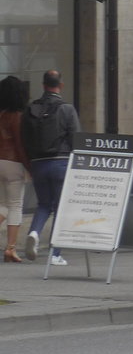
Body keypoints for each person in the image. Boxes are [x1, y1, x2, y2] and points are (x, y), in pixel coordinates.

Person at [22, 69, 81, 265]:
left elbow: (25, 139)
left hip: (38, 163)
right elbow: (76, 139)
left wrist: (30, 162)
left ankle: (34, 233)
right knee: (60, 208)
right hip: (60, 162)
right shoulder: (67, 109)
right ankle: (55, 254)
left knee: (44, 204)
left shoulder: (31, 109)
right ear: (60, 85)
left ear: (43, 85)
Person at [0, 76, 32, 263]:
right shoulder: (18, 116)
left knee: (3, 204)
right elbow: (20, 144)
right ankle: (10, 248)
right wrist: (29, 166)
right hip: (13, 163)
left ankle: (10, 248)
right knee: (15, 205)